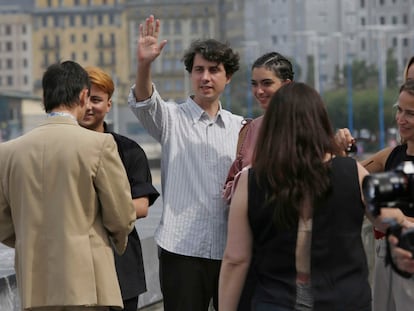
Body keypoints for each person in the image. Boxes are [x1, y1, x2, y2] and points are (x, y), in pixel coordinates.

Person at [218, 82, 408, 311]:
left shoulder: (251, 180)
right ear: (320, 123)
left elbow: (235, 259)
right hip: (343, 299)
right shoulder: (351, 172)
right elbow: (392, 220)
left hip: (276, 299)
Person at [127, 15, 243, 311]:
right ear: (190, 74)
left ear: (227, 77)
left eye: (214, 70)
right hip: (181, 250)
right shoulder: (171, 119)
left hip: (230, 249)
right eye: (199, 70)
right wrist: (144, 64)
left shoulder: (242, 128)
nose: (205, 77)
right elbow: (144, 101)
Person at [0, 60, 136, 311]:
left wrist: (31, 241)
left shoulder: (8, 152)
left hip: (34, 284)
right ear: (84, 95)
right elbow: (121, 215)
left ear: (44, 97)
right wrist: (113, 241)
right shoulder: (99, 145)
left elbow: (4, 223)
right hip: (88, 282)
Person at [79, 66, 160, 311]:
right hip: (75, 268)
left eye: (97, 99)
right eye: (82, 99)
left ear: (109, 105)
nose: (89, 106)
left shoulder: (129, 151)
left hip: (120, 265)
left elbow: (141, 206)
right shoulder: (57, 153)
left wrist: (80, 211)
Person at [361, 79, 414, 311]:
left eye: (410, 113)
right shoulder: (393, 155)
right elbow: (351, 175)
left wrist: (396, 221)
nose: (400, 119)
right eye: (399, 110)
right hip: (385, 257)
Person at [223, 52, 294, 203]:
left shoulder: (305, 126)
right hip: (253, 222)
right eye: (254, 84)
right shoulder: (251, 128)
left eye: (267, 83)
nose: (259, 91)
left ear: (286, 85)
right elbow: (229, 188)